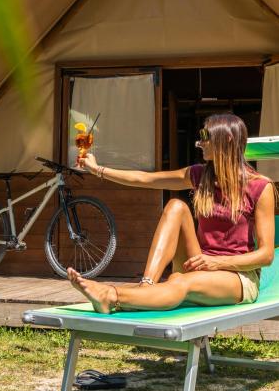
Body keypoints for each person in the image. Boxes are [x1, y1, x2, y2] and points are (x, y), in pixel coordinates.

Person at [68, 113, 275, 314]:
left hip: (237, 276)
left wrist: (217, 262)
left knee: (180, 282)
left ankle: (111, 296)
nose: (199, 142)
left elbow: (266, 256)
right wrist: (97, 169)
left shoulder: (259, 186)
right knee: (176, 205)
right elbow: (144, 179)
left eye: (205, 135)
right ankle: (146, 285)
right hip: (201, 263)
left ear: (227, 138)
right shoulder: (200, 175)